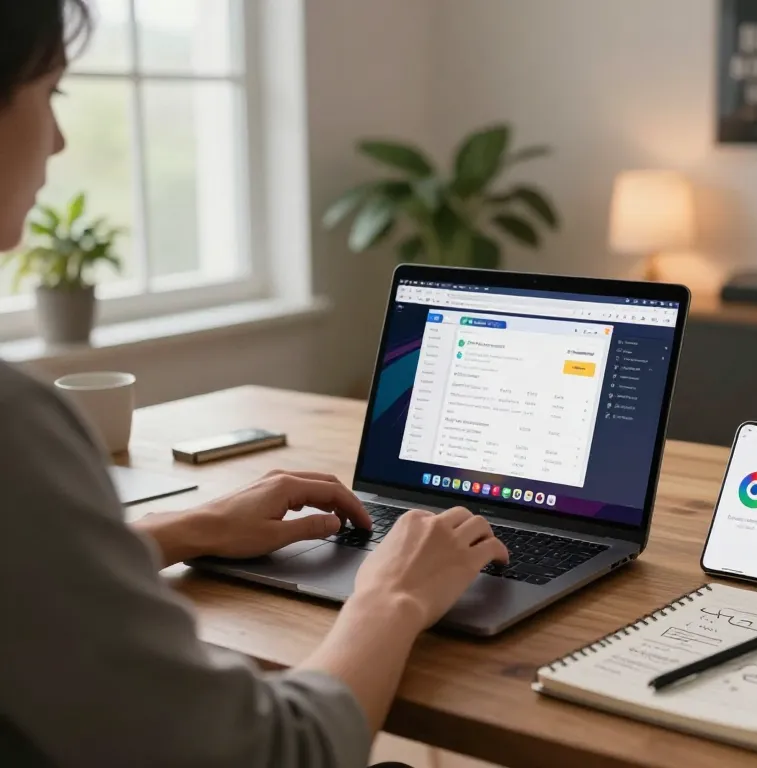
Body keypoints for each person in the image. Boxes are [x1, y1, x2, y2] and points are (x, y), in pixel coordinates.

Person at [0, 3, 509, 767]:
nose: (61, 139)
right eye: (51, 94)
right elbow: (276, 752)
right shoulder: (15, 431)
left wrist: (190, 528)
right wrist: (393, 592)